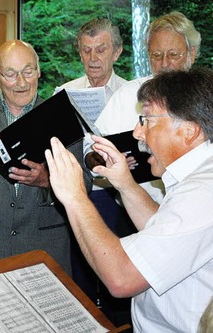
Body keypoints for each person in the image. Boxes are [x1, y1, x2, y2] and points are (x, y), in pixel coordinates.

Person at [46, 68, 213, 332]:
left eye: (146, 120)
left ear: (190, 132)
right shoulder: (201, 177)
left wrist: (75, 198)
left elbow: (121, 278)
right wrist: (124, 183)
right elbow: (161, 230)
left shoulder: (202, 193)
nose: (137, 133)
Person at [0, 39, 91, 275]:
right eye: (11, 74)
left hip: (45, 250)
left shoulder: (60, 117)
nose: (22, 82)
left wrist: (46, 179)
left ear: (39, 70)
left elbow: (85, 184)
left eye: (28, 71)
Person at [58, 17, 131, 323]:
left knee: (120, 282)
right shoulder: (64, 93)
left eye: (101, 50)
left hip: (119, 199)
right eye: (86, 51)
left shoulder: (133, 95)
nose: (93, 58)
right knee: (80, 281)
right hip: (79, 197)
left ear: (117, 52)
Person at [89, 11, 201, 204]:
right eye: (156, 55)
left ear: (191, 53)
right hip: (133, 211)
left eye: (173, 55)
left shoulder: (206, 97)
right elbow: (91, 147)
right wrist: (101, 159)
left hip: (196, 208)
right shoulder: (128, 95)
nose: (164, 63)